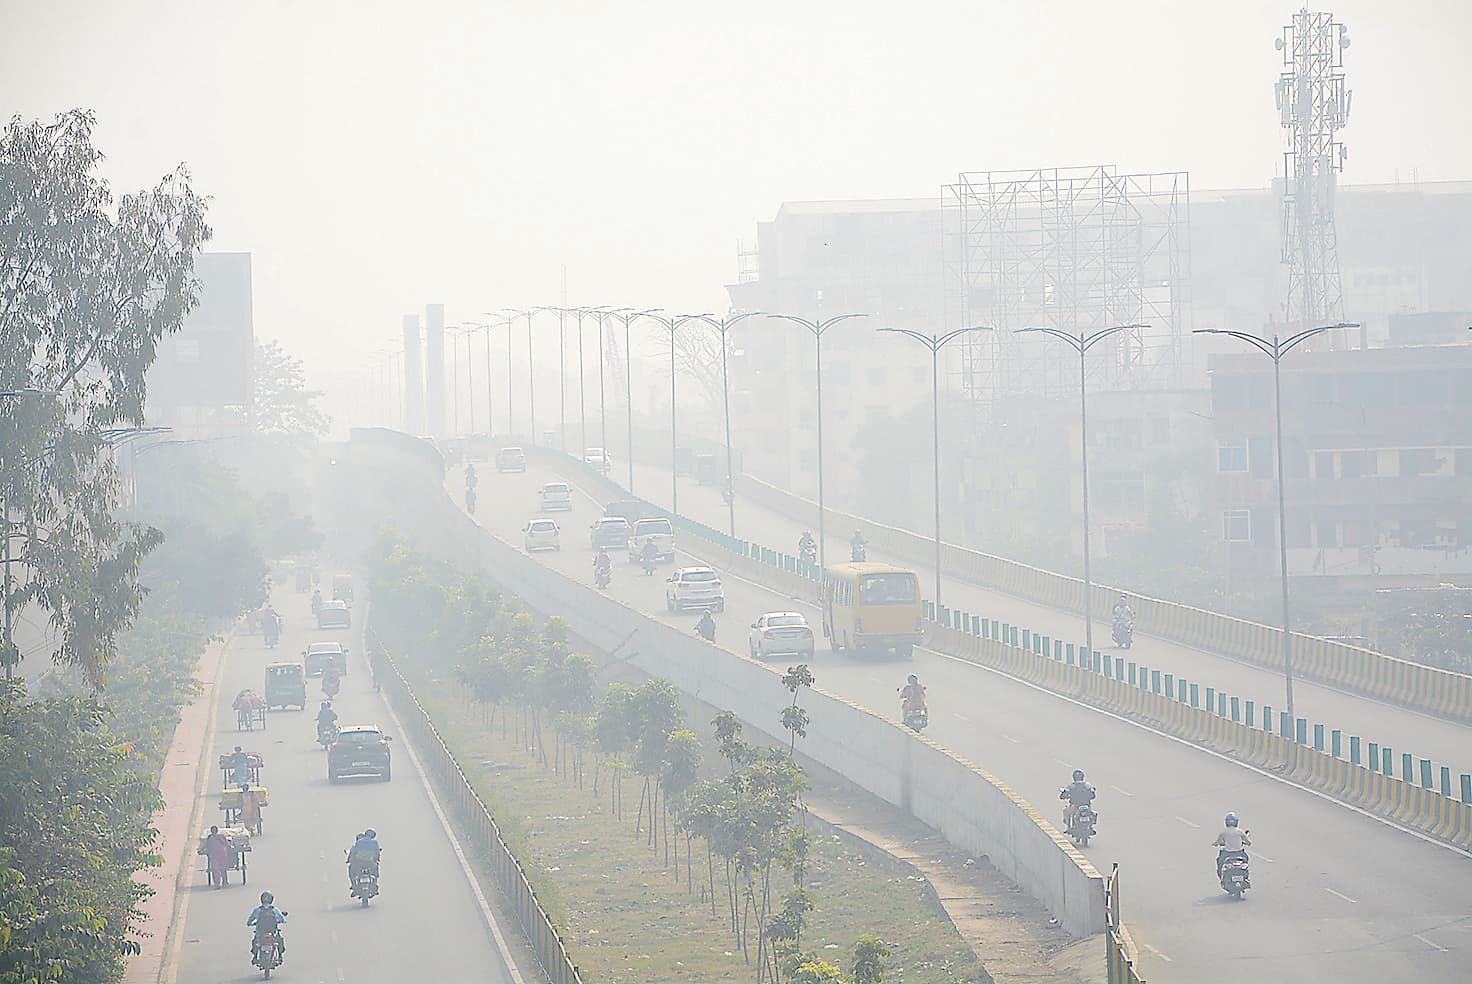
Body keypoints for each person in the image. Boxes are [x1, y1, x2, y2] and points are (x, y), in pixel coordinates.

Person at [247, 891, 287, 964]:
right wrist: (281, 921)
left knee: (255, 942)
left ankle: (255, 957)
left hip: (261, 932)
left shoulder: (257, 910)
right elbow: (283, 920)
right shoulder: (275, 909)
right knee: (280, 940)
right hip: (272, 931)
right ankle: (280, 956)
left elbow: (250, 921)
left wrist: (250, 923)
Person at [1213, 812, 1251, 877]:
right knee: (1246, 859)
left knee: (1219, 862)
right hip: (1239, 853)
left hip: (1227, 853)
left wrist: (1215, 844)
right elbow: (1248, 842)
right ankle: (1246, 876)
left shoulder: (1224, 832)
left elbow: (1217, 842)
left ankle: (1221, 876)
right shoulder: (1240, 831)